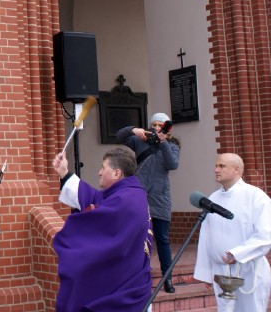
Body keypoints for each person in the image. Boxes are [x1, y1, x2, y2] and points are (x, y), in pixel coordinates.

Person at [52, 147, 153, 312]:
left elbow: (100, 226)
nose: (99, 172)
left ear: (116, 173)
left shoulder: (126, 200)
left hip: (125, 294)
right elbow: (94, 198)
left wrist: (68, 240)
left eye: (103, 167)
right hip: (128, 282)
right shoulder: (127, 194)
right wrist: (64, 172)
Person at [193, 153, 271, 312]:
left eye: (221, 166)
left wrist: (236, 253)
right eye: (216, 165)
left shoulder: (255, 196)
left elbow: (265, 235)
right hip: (221, 271)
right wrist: (206, 272)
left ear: (236, 169)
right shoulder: (213, 199)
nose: (216, 169)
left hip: (249, 269)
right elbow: (206, 238)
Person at [116, 112, 180, 293]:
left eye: (161, 126)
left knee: (162, 239)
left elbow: (172, 164)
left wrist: (163, 142)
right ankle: (135, 276)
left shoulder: (172, 145)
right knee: (137, 237)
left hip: (160, 197)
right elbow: (120, 136)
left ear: (167, 128)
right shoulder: (140, 141)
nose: (158, 128)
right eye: (155, 125)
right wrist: (133, 130)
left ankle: (167, 279)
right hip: (139, 195)